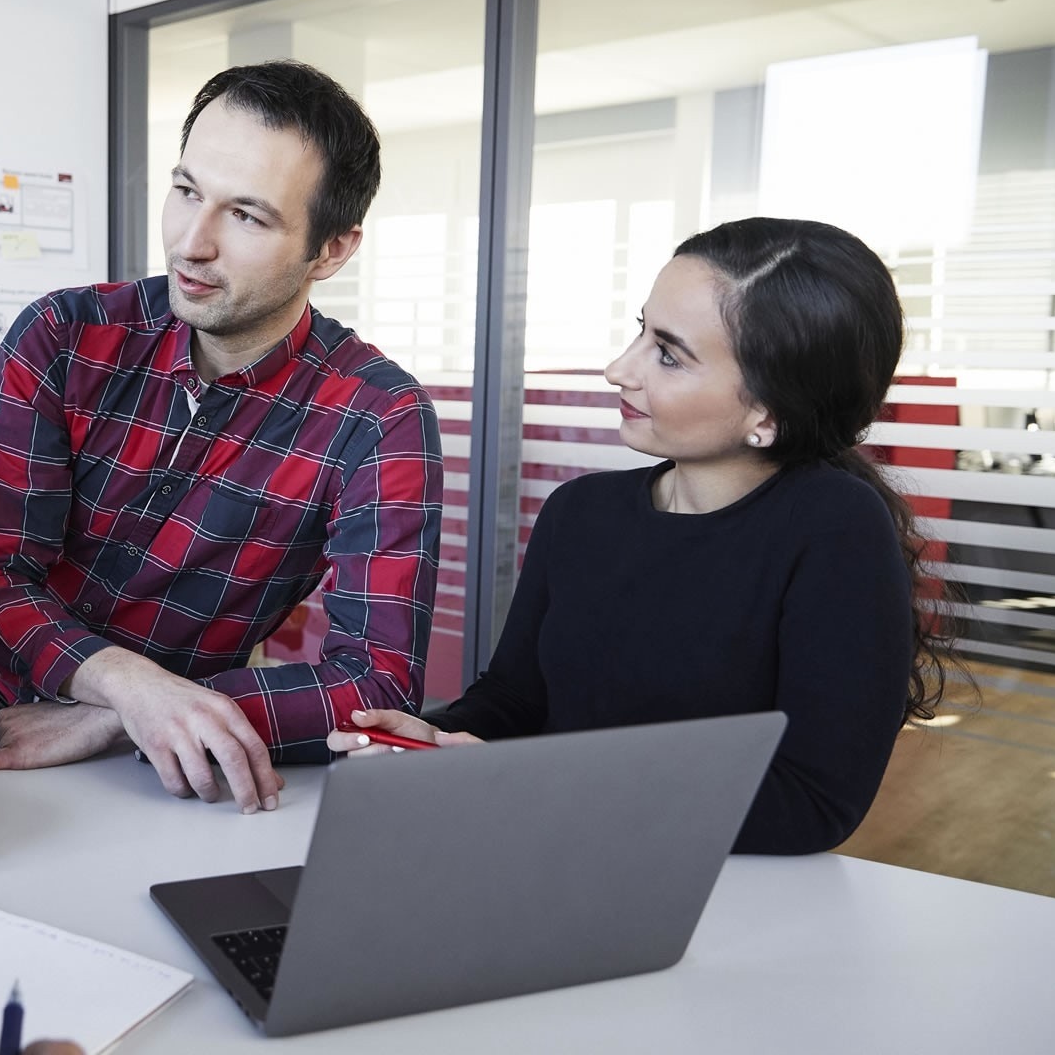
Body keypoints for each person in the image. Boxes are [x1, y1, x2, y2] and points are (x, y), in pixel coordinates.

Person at [330, 217, 964, 854]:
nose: (618, 369)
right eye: (641, 330)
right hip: (546, 854)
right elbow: (515, 700)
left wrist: (539, 784)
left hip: (706, 893)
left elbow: (812, 802)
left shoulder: (836, 530)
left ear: (769, 411)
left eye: (668, 354)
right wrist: (439, 739)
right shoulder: (580, 512)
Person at [0, 61, 443, 812]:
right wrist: (129, 688)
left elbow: (377, 683)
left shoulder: (377, 415)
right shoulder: (65, 336)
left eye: (247, 217)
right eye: (186, 192)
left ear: (332, 250)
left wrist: (126, 717)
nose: (192, 243)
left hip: (185, 770)